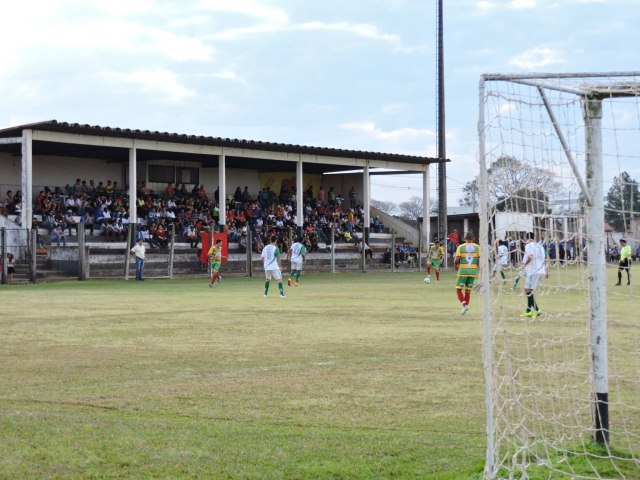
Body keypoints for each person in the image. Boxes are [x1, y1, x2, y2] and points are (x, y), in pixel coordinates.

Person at [519, 232, 550, 317]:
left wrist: (523, 266)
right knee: (530, 290)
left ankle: (537, 310)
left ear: (526, 238)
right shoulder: (540, 246)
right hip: (541, 270)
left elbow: (530, 257)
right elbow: (546, 258)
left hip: (533, 271)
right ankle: (528, 311)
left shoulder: (529, 245)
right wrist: (547, 270)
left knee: (527, 290)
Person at [454, 231, 480, 315]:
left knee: (458, 290)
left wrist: (455, 265)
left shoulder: (461, 247)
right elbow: (480, 258)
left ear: (465, 238)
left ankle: (464, 305)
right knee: (468, 291)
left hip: (463, 271)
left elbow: (457, 259)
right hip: (472, 272)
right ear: (473, 238)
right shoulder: (477, 247)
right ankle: (465, 309)